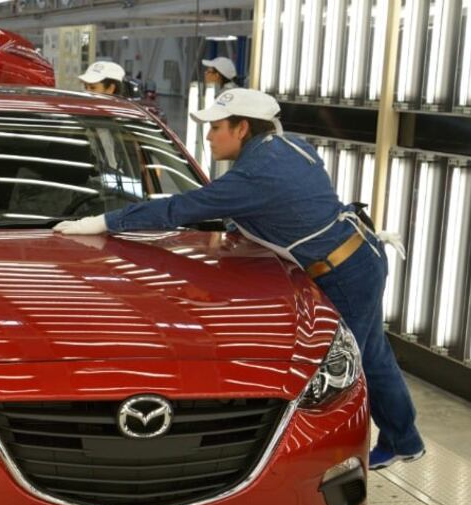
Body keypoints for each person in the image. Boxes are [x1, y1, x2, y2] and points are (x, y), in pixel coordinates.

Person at [53, 88, 426, 471]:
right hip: (360, 253)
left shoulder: (253, 175)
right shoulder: (288, 146)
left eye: (216, 127)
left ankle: (320, 465)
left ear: (242, 128)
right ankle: (404, 440)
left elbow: (178, 209)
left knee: (340, 372)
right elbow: (285, 206)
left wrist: (101, 222)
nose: (209, 136)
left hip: (343, 271)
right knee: (375, 356)